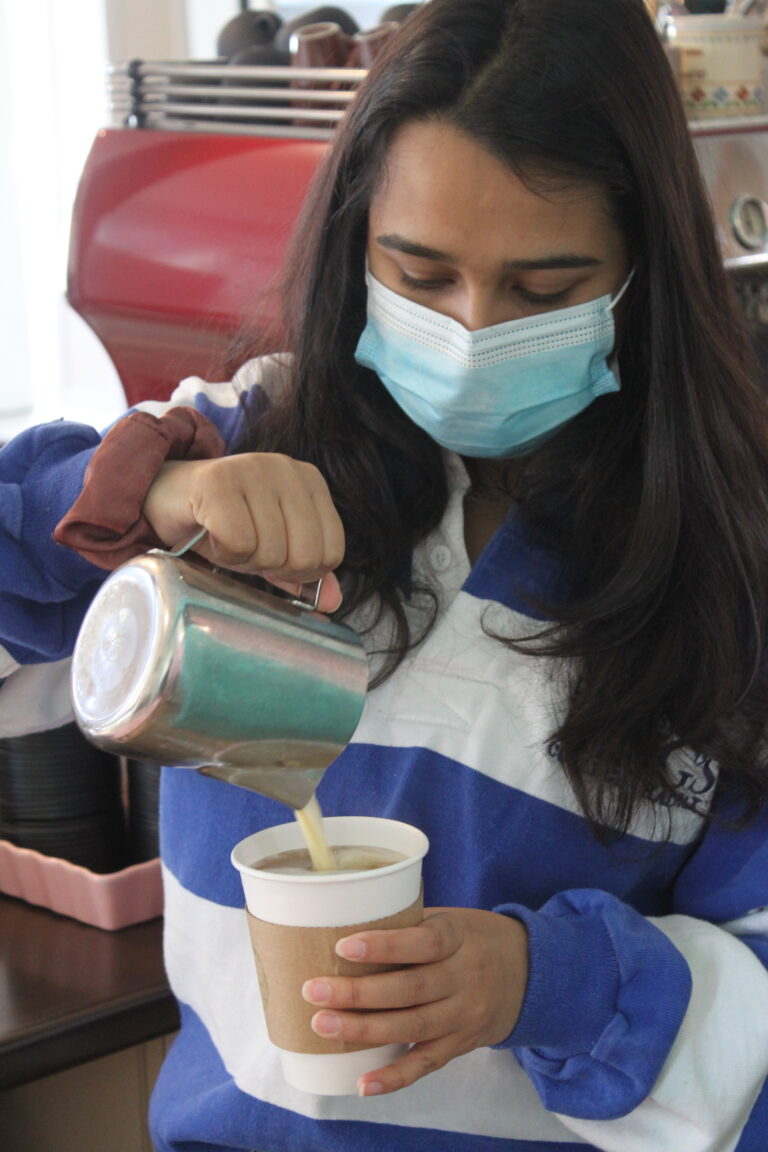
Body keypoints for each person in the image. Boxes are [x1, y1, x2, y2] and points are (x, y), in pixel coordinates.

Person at [2, 0, 768, 1148]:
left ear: (642, 272)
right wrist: (153, 500)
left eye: (544, 291)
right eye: (420, 274)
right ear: (357, 243)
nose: (470, 333)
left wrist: (542, 981)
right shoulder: (249, 437)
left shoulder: (725, 572)